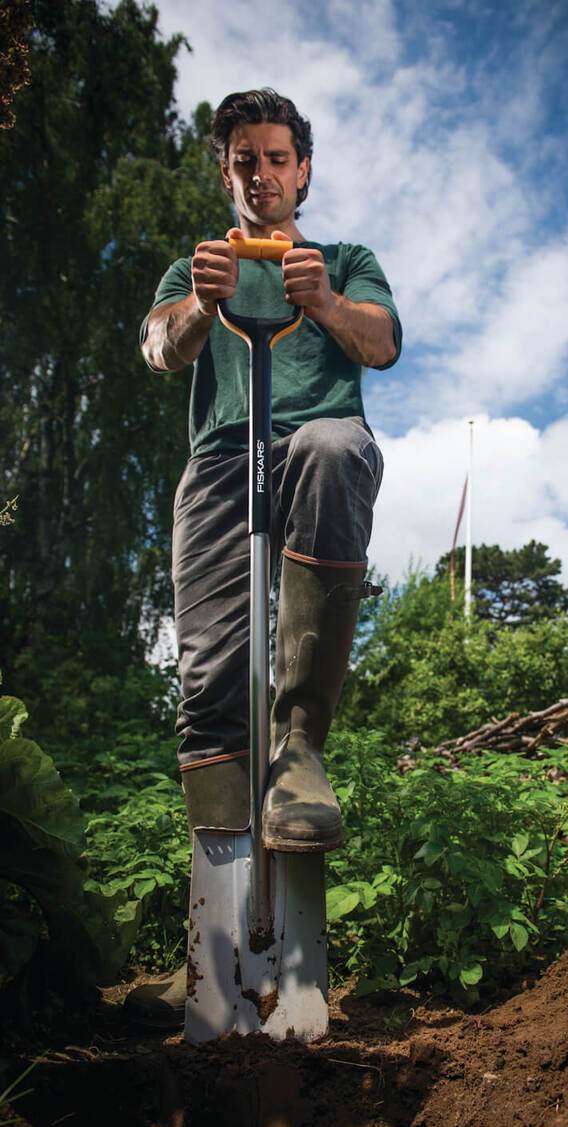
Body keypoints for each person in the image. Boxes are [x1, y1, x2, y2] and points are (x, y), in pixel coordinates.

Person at [125, 88, 402, 1027]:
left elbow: (384, 344)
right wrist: (200, 308)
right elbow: (160, 350)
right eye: (243, 158)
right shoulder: (195, 265)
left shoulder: (345, 262)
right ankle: (211, 952)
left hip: (307, 446)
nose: (261, 173)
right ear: (227, 172)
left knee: (332, 446)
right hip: (217, 462)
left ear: (302, 171)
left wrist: (320, 300)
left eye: (277, 158)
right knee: (207, 685)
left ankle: (302, 748)